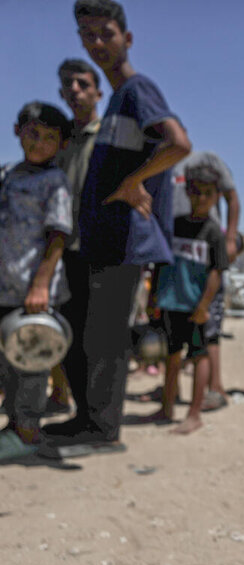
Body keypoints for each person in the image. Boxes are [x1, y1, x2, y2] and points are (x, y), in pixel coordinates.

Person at [41, 0, 191, 456]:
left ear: (126, 38)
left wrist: (133, 181)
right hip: (99, 243)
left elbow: (179, 143)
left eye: (105, 33)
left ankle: (104, 433)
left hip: (123, 244)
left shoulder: (136, 89)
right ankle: (85, 419)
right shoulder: (116, 108)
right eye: (88, 36)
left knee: (105, 341)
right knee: (84, 335)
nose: (97, 43)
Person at [0, 102, 73, 460]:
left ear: (61, 145)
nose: (39, 143)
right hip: (4, 286)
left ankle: (27, 432)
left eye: (49, 138)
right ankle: (12, 426)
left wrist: (41, 285)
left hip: (34, 293)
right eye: (33, 133)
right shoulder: (8, 175)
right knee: (8, 360)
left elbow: (57, 235)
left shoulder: (54, 181)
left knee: (31, 363)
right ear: (18, 131)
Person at [147, 164, 228, 434]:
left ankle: (194, 414)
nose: (201, 198)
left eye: (208, 193)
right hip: (171, 303)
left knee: (199, 356)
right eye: (196, 192)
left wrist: (204, 306)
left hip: (196, 308)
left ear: (216, 196)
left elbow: (216, 273)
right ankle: (166, 407)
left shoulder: (214, 232)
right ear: (188, 192)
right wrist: (153, 297)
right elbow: (160, 263)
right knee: (171, 356)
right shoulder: (174, 224)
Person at [49, 57, 104, 416]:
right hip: (61, 249)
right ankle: (62, 394)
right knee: (62, 326)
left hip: (100, 252)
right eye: (68, 84)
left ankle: (92, 413)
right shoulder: (59, 140)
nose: (75, 90)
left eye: (83, 84)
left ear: (98, 91)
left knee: (96, 337)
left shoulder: (109, 137)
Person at [171, 151, 241, 408]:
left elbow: (233, 198)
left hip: (204, 257)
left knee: (208, 328)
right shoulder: (166, 164)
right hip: (180, 259)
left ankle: (215, 388)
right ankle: (171, 391)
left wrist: (231, 239)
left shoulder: (208, 161)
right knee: (173, 334)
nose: (199, 197)